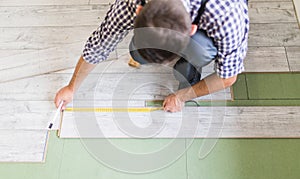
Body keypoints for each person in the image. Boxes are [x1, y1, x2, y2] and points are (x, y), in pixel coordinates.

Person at [55, 0, 249, 112]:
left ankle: (189, 67)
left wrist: (182, 97)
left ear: (191, 29)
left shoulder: (227, 13)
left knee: (202, 50)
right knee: (137, 53)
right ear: (139, 10)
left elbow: (228, 77)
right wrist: (72, 87)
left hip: (208, 28)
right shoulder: (130, 3)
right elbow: (98, 47)